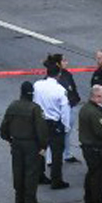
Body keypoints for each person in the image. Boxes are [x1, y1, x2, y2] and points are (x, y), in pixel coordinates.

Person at [0, 82, 49, 203]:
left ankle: (19, 197)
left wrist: (8, 138)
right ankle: (30, 200)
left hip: (16, 143)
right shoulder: (35, 109)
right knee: (31, 172)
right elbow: (41, 129)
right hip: (31, 145)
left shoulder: (13, 106)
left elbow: (4, 126)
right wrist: (43, 145)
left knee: (18, 170)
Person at [33, 60, 70, 189]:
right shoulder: (60, 90)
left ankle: (39, 175)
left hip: (40, 122)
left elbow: (34, 101)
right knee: (57, 153)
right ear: (59, 75)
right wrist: (65, 126)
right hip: (54, 124)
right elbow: (65, 110)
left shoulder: (37, 85)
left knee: (40, 150)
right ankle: (56, 180)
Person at [45, 53, 81, 163]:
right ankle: (50, 158)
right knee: (54, 135)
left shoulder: (67, 74)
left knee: (67, 133)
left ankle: (67, 154)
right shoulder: (52, 79)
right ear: (58, 64)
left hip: (70, 107)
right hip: (59, 110)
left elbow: (73, 89)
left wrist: (75, 100)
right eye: (64, 60)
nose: (67, 62)